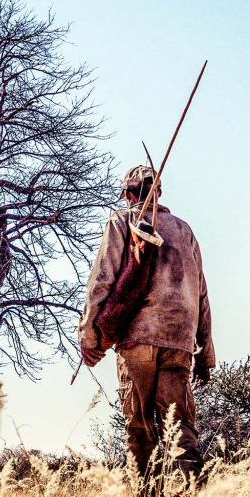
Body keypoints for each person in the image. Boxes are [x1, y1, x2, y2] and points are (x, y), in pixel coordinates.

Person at [78, 165, 214, 479]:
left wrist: (90, 338)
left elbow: (101, 281)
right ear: (159, 193)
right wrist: (205, 352)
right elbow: (202, 295)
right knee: (182, 433)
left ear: (128, 194)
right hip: (179, 343)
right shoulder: (185, 230)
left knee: (140, 431)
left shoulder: (122, 220)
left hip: (136, 341)